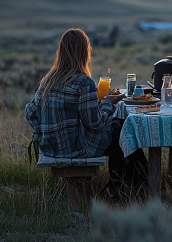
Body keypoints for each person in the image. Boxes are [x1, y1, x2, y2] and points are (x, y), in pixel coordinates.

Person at [25, 28, 148, 199]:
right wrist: (106, 104)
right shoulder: (84, 82)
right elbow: (95, 123)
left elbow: (29, 111)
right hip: (74, 149)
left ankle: (124, 185)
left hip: (51, 146)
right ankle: (124, 188)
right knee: (123, 131)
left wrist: (43, 133)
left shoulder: (48, 80)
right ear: (84, 52)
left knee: (119, 131)